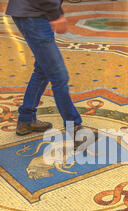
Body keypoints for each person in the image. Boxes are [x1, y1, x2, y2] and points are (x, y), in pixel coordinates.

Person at [6, 0, 86, 147]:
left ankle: (26, 120)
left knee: (43, 69)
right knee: (59, 75)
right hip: (33, 13)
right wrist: (56, 14)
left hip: (34, 12)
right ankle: (74, 128)